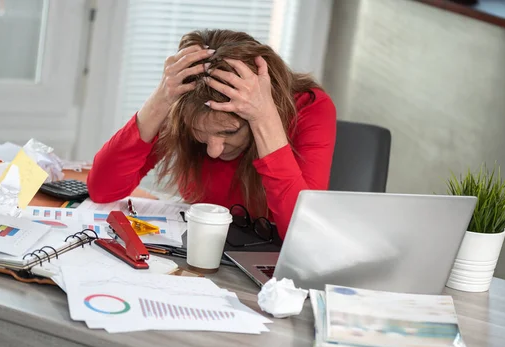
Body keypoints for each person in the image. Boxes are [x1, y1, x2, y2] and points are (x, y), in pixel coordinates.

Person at [88, 29, 336, 239]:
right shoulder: (190, 101)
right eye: (200, 134)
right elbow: (103, 189)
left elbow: (302, 235)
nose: (214, 150)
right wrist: (161, 99)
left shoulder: (311, 107)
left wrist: (264, 118)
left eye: (229, 131)